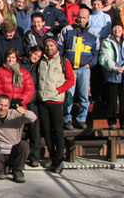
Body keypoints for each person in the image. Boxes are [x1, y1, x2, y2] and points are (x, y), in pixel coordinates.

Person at [58, 7, 99, 130]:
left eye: (84, 18)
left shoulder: (93, 33)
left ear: (88, 19)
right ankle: (67, 119)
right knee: (69, 95)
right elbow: (60, 48)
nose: (81, 20)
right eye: (79, 17)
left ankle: (81, 119)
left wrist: (90, 64)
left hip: (84, 69)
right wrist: (63, 64)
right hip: (70, 69)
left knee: (84, 96)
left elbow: (96, 52)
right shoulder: (67, 30)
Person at [38, 37, 74, 174]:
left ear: (56, 46)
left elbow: (71, 80)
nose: (49, 48)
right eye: (47, 45)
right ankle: (52, 156)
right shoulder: (41, 60)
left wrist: (59, 90)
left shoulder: (63, 61)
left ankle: (60, 159)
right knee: (46, 131)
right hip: (43, 100)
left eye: (51, 45)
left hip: (56, 101)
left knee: (58, 131)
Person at [0, 94, 37, 183]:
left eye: (5, 105)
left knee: (24, 145)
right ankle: (1, 170)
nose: (2, 108)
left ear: (8, 106)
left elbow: (33, 118)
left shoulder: (16, 114)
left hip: (14, 149)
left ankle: (17, 170)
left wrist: (25, 112)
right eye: (0, 105)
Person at [19, 45, 44, 166]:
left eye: (39, 56)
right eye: (35, 54)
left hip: (33, 101)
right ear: (30, 52)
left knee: (35, 129)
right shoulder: (21, 64)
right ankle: (18, 156)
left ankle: (35, 156)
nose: (36, 57)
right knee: (18, 128)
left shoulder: (39, 66)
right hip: (22, 101)